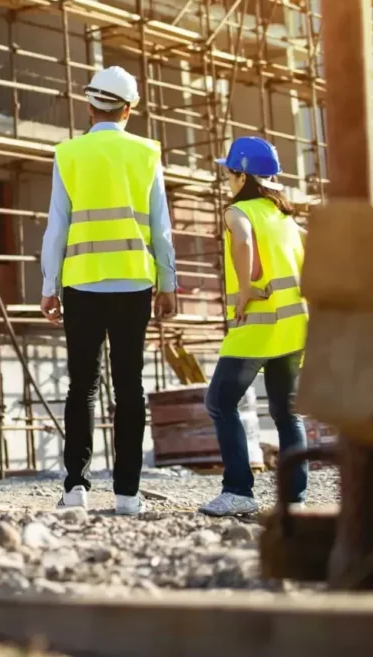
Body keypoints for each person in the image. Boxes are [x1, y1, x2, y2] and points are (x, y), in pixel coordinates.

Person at [39, 66, 177, 517]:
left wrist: (48, 284)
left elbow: (56, 226)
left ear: (89, 104)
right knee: (130, 387)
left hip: (81, 282)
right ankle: (128, 495)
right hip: (135, 282)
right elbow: (161, 225)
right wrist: (169, 282)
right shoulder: (146, 153)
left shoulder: (69, 154)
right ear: (129, 109)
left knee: (82, 386)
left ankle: (76, 487)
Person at [199, 136, 309, 517]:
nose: (228, 179)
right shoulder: (285, 217)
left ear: (242, 174)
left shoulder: (237, 212)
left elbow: (243, 242)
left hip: (256, 326)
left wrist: (245, 290)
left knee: (219, 402)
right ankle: (294, 500)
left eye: (230, 172)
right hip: (294, 328)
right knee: (287, 413)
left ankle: (239, 491)